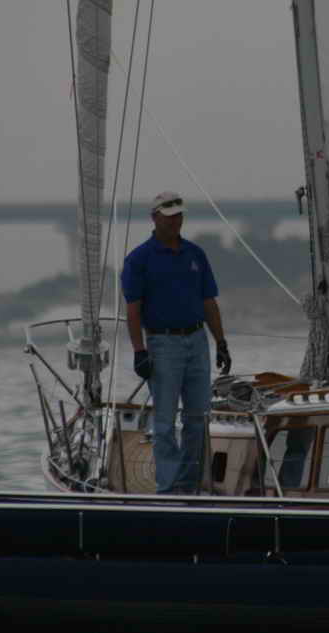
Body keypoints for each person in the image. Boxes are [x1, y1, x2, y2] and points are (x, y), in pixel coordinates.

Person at [120, 191, 232, 495]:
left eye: (179, 215)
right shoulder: (139, 259)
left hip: (197, 340)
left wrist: (221, 342)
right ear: (154, 218)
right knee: (165, 422)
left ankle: (189, 485)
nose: (175, 221)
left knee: (198, 419)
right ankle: (168, 489)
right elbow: (133, 309)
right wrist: (139, 350)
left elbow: (209, 301)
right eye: (169, 216)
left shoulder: (195, 254)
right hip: (162, 343)